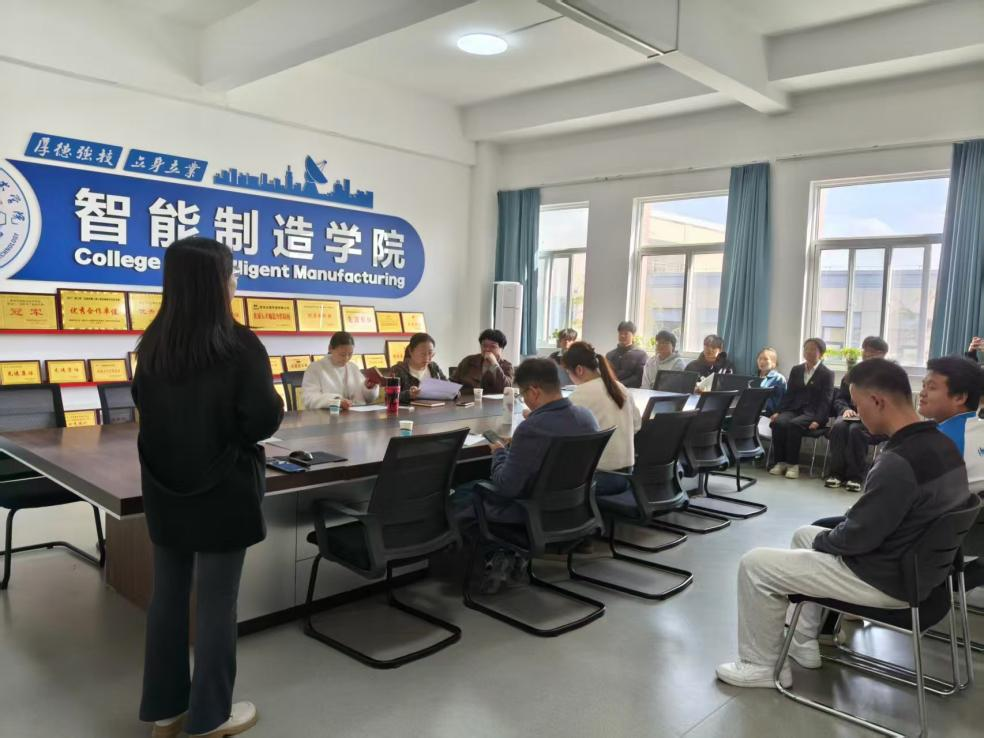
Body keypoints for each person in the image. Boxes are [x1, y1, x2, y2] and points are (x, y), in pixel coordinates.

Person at [717, 358, 974, 689]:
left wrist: (826, 542)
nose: (855, 413)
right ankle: (803, 642)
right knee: (804, 534)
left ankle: (760, 666)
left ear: (876, 401)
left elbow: (857, 538)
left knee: (755, 565)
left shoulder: (898, 462)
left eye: (857, 404)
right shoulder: (943, 445)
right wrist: (828, 537)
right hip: (919, 571)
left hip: (885, 579)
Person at [133, 237, 284, 737]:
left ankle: (165, 711)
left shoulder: (152, 343)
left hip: (164, 490)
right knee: (217, 605)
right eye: (231, 272)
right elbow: (261, 422)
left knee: (168, 598)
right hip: (223, 491)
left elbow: (148, 412)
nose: (235, 281)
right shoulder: (240, 344)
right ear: (216, 283)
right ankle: (209, 717)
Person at [453, 358, 598, 592]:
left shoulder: (532, 428)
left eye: (523, 394)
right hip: (575, 510)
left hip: (532, 513)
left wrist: (499, 452)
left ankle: (486, 565)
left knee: (462, 494)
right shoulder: (586, 417)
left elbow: (506, 486)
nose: (525, 400)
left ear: (534, 391)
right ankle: (507, 558)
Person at [562, 342, 641, 496]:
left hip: (600, 479)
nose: (570, 379)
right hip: (628, 475)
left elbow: (562, 435)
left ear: (579, 370)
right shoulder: (621, 388)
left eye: (568, 373)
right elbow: (637, 426)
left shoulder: (579, 395)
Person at [824, 336, 889, 492]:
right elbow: (840, 399)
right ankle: (835, 474)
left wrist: (868, 411)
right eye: (865, 350)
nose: (867, 354)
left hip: (874, 420)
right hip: (850, 416)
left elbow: (889, 403)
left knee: (856, 430)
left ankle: (855, 477)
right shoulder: (853, 373)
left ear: (882, 354)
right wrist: (845, 409)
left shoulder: (888, 376)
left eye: (872, 351)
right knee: (838, 427)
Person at [768, 338, 834, 480]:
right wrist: (778, 411)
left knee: (794, 425)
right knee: (778, 423)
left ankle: (793, 465)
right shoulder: (796, 370)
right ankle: (780, 462)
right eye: (806, 349)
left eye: (813, 349)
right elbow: (789, 394)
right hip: (794, 409)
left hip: (813, 413)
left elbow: (826, 400)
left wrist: (818, 420)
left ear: (821, 353)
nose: (809, 352)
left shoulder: (827, 373)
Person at [918, 356, 984, 454]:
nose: (922, 393)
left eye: (932, 387)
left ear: (959, 398)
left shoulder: (939, 440)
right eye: (924, 386)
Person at [302, 331, 380, 409]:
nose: (346, 358)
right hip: (328, 415)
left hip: (356, 414)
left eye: (350, 354)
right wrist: (336, 401)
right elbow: (309, 398)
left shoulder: (353, 367)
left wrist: (368, 388)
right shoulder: (315, 368)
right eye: (342, 354)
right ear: (330, 348)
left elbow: (366, 399)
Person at [388, 332, 447, 404]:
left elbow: (448, 388)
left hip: (436, 409)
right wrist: (409, 395)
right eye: (422, 354)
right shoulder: (398, 370)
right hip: (408, 410)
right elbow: (389, 397)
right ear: (411, 351)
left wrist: (453, 393)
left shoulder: (434, 367)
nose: (427, 357)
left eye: (430, 353)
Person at [455, 329, 514, 394]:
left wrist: (494, 364)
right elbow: (452, 383)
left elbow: (507, 389)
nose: (487, 349)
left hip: (493, 401)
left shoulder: (507, 366)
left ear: (502, 349)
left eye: (493, 346)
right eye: (484, 346)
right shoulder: (468, 361)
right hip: (466, 399)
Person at [605, 320, 647, 389]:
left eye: (626, 333)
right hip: (611, 389)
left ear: (633, 335)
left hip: (631, 390)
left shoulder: (641, 355)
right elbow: (605, 374)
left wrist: (619, 385)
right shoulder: (610, 355)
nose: (622, 336)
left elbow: (639, 377)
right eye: (620, 333)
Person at [756, 347, 787, 416]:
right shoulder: (754, 378)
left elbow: (783, 401)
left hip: (768, 413)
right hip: (753, 410)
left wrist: (777, 413)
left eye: (765, 359)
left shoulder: (779, 378)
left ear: (774, 363)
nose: (761, 361)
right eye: (760, 359)